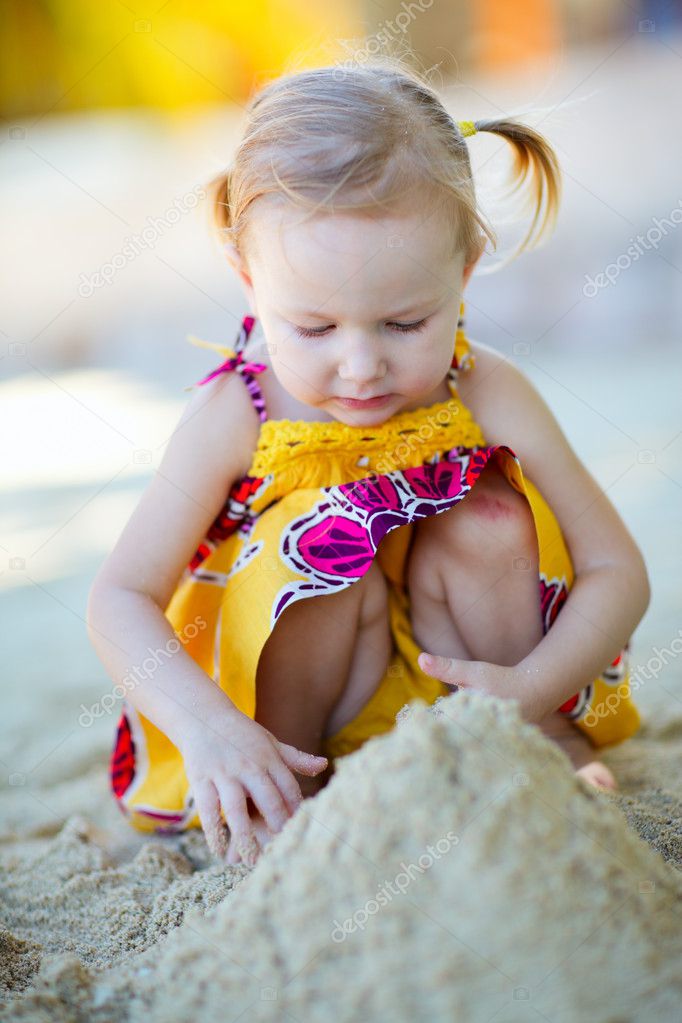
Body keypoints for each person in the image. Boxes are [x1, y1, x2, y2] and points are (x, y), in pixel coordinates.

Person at [87, 57, 650, 868]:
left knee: (490, 513)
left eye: (404, 322)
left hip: (464, 693)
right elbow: (120, 596)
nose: (360, 367)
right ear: (250, 280)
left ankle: (534, 743)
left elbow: (616, 569)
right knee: (327, 543)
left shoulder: (486, 388)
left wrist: (530, 691)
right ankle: (289, 791)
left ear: (463, 272)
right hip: (284, 721)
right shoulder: (236, 413)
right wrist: (213, 732)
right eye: (314, 328)